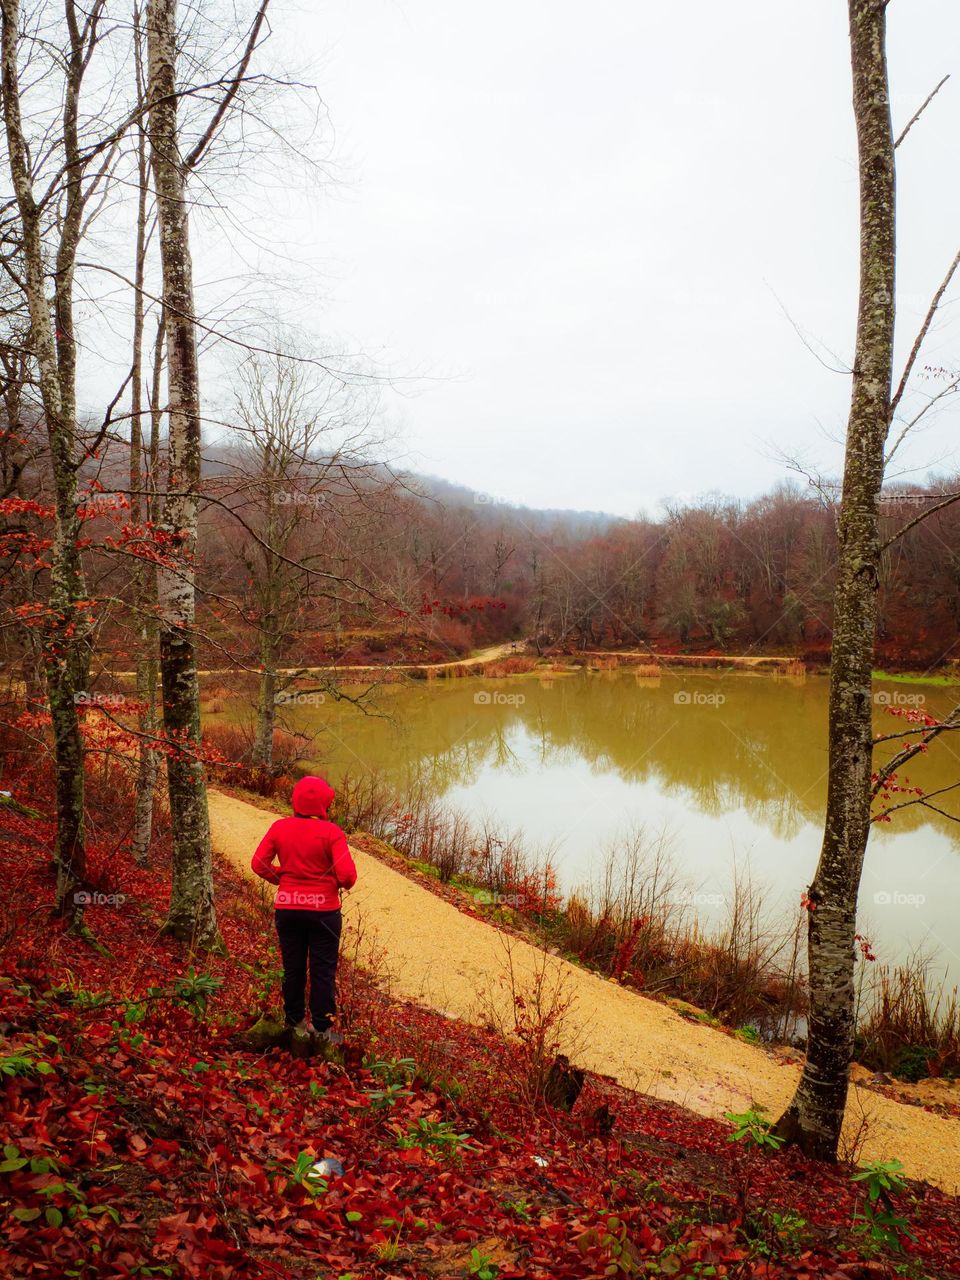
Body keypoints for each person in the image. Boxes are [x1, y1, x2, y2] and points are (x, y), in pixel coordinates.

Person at [250, 775, 357, 1037]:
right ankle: (321, 1029)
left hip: (288, 909)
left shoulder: (279, 828)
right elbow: (347, 877)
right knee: (323, 969)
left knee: (293, 966)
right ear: (324, 805)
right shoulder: (332, 832)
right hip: (324, 912)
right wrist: (328, 882)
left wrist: (283, 879)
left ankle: (294, 1022)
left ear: (295, 802)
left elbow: (258, 864)